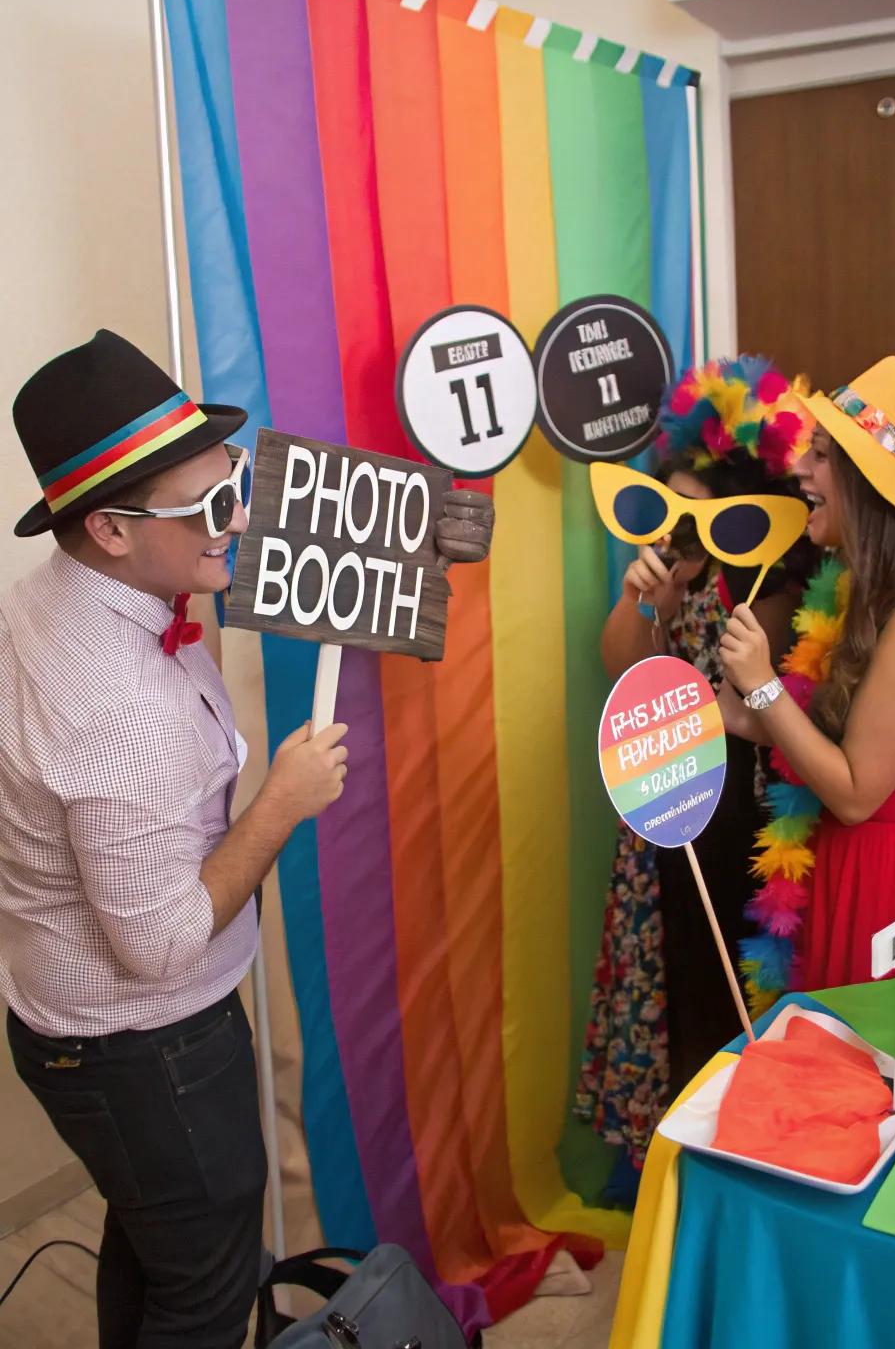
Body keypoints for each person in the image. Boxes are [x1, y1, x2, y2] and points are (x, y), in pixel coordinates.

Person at [0, 330, 492, 1348]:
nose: (234, 518)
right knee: (206, 1287)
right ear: (112, 529)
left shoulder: (60, 594)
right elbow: (164, 944)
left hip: (72, 1024)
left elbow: (271, 541)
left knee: (161, 1246)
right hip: (144, 1048)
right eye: (205, 508)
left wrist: (420, 537)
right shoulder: (118, 711)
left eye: (230, 483)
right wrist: (280, 800)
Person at [574, 357, 812, 1194]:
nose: (689, 533)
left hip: (734, 810)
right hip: (667, 804)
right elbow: (621, 669)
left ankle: (726, 1173)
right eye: (675, 514)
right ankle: (668, 1165)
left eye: (708, 517)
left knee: (722, 992)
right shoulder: (677, 572)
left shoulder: (776, 587)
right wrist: (645, 601)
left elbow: (736, 704)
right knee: (670, 986)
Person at [719, 355, 895, 991]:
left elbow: (854, 793)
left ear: (870, 483)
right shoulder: (860, 597)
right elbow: (838, 741)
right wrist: (739, 709)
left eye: (821, 454)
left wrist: (764, 684)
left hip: (894, 890)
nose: (800, 468)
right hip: (844, 870)